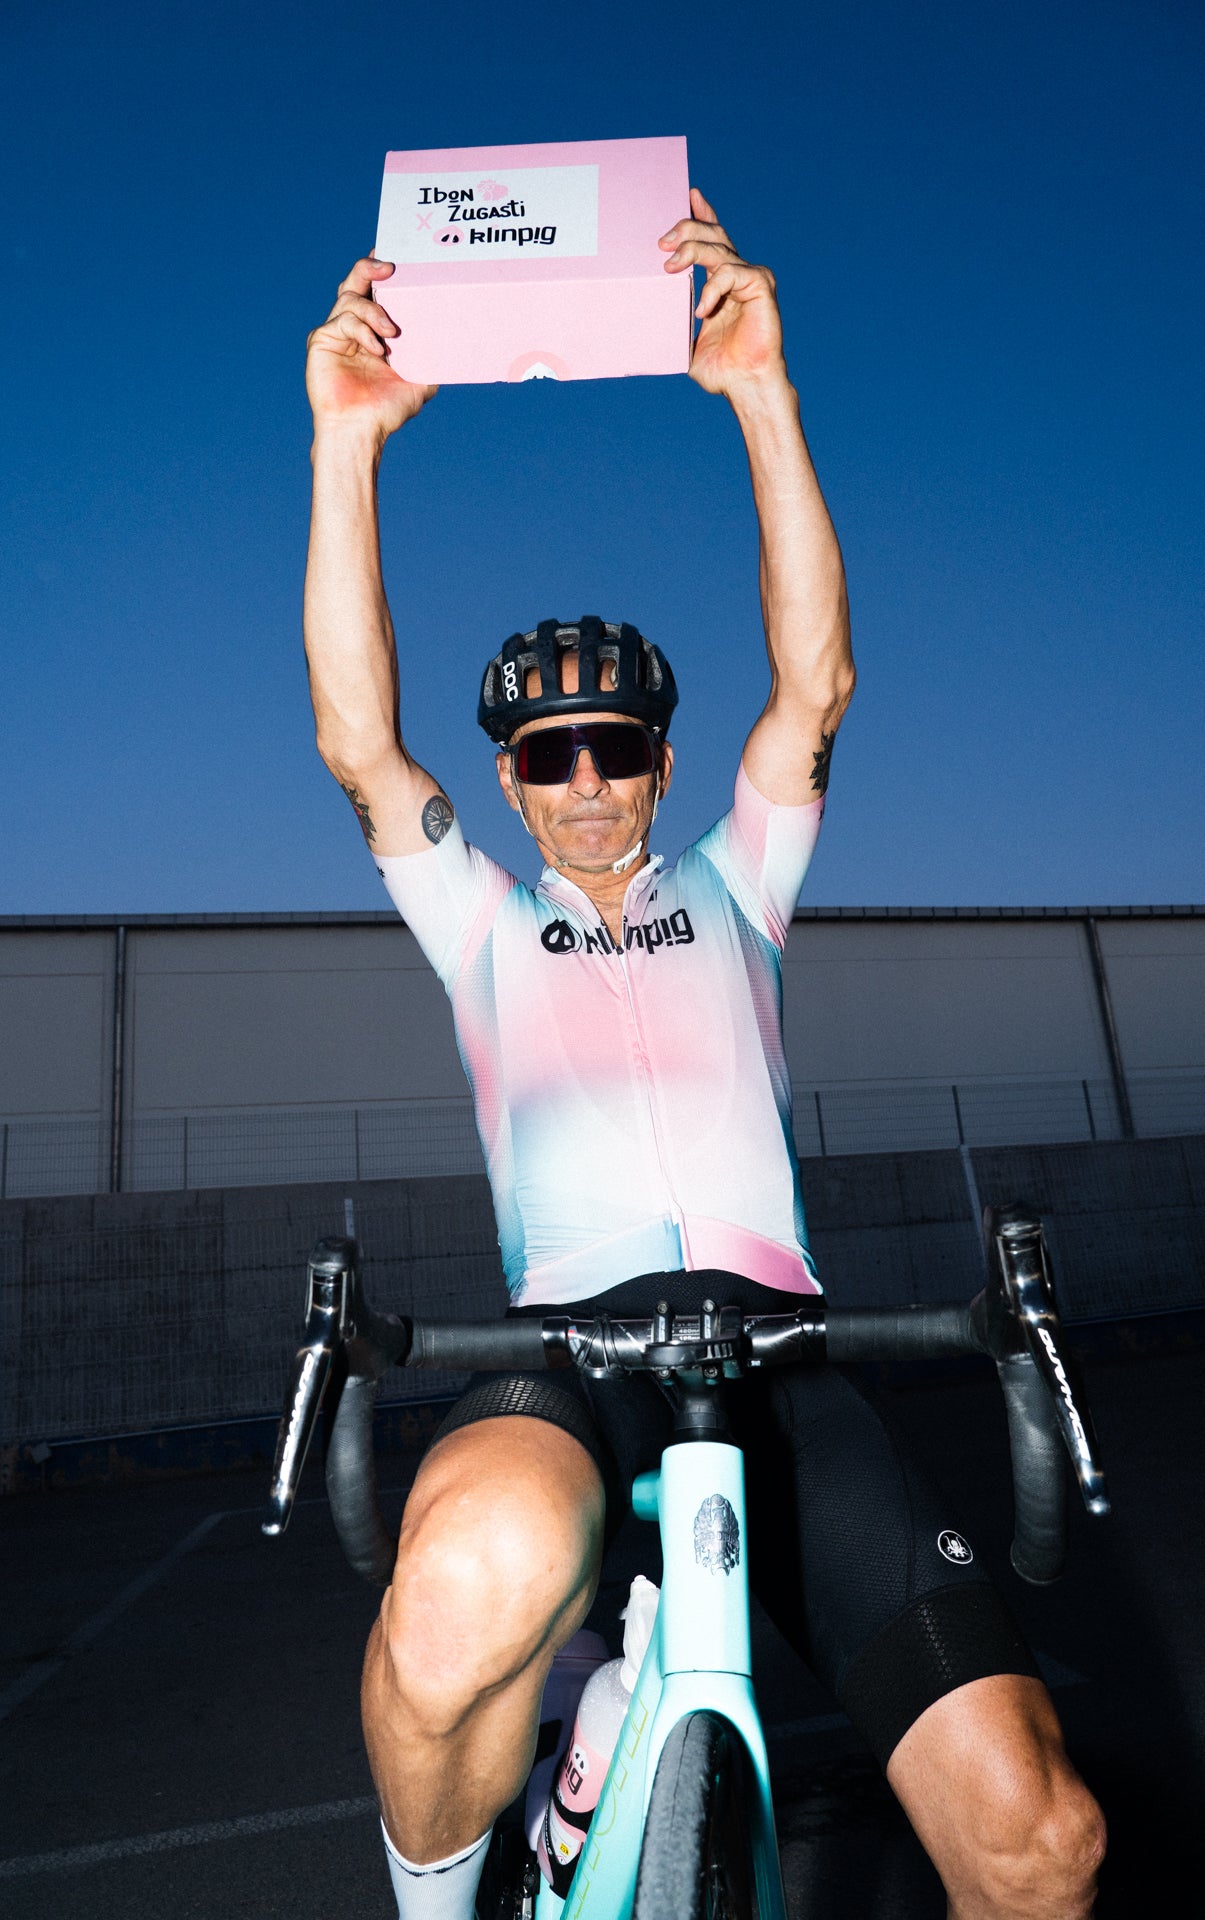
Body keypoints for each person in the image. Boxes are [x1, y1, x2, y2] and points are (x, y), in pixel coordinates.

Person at [303, 189, 1106, 1920]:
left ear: (660, 767)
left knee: (1042, 1848)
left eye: (614, 746)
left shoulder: (738, 891)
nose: (581, 777)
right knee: (470, 1583)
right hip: (568, 1361)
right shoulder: (483, 927)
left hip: (789, 1362)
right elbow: (358, 743)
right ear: (510, 784)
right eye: (544, 753)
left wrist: (760, 391)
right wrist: (346, 448)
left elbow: (813, 686)